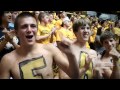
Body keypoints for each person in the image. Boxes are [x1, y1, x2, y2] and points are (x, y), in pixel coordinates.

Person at [0, 12, 79, 79]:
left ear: (37, 30)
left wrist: (70, 55)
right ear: (16, 33)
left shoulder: (50, 49)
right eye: (24, 26)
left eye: (33, 26)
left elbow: (74, 75)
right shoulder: (7, 60)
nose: (29, 30)